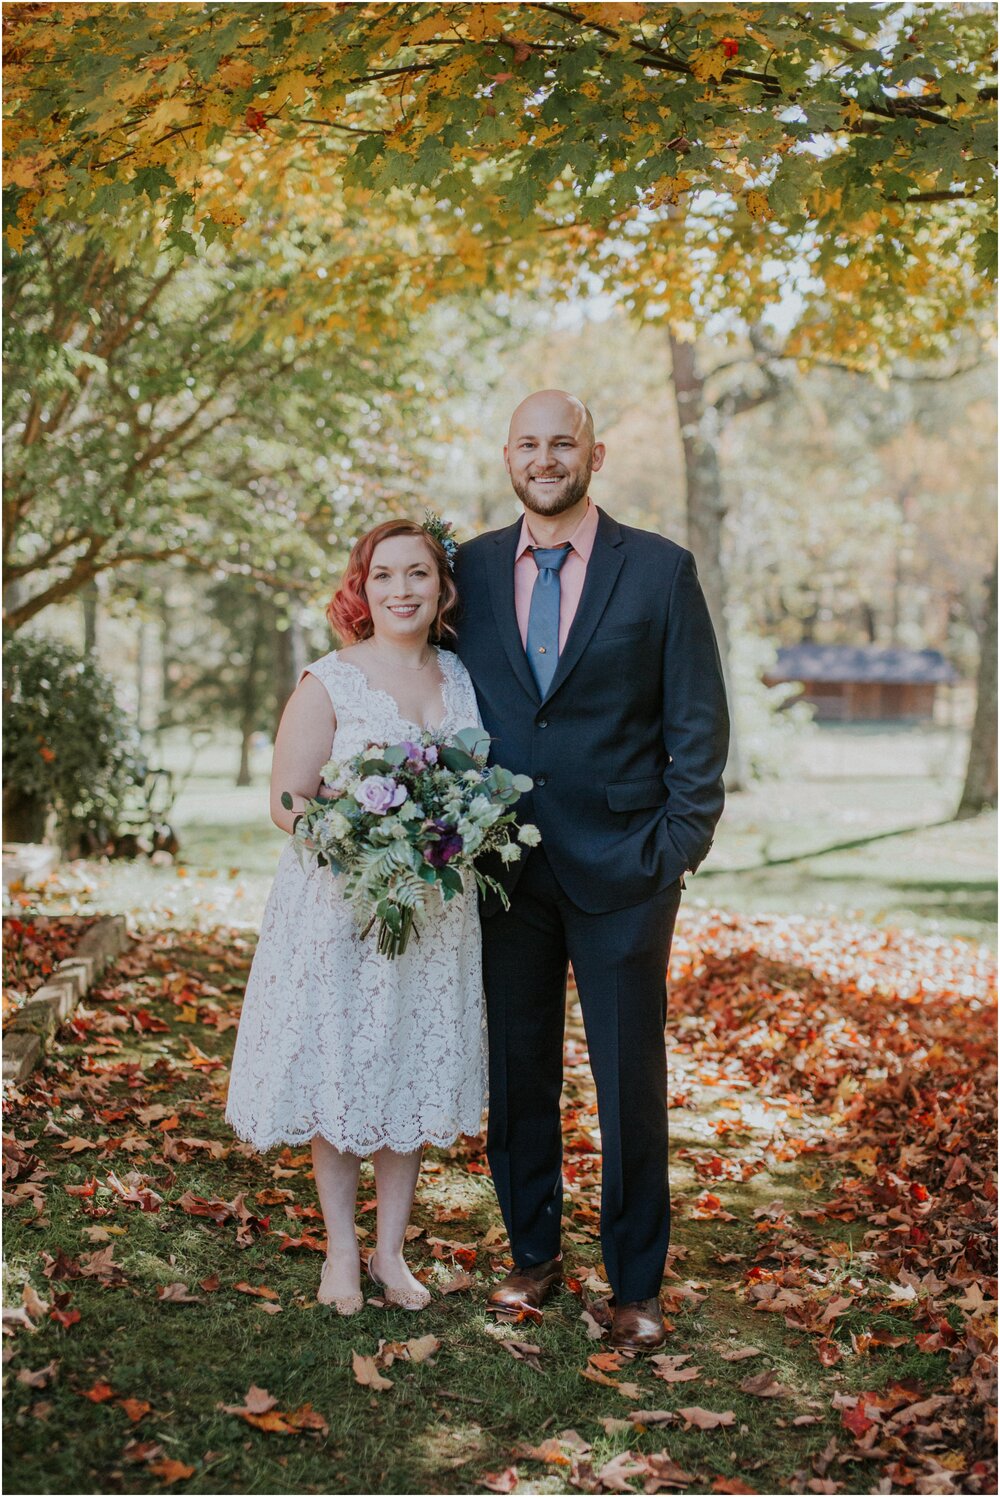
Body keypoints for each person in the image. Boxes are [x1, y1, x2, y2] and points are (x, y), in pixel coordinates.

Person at [453, 390, 729, 1351]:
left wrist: (671, 851)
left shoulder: (657, 569)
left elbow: (698, 727)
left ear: (594, 453)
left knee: (628, 1081)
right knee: (518, 1073)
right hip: (505, 870)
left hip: (627, 872)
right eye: (527, 443)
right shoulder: (469, 570)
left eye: (561, 441)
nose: (544, 457)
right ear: (507, 455)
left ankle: (636, 1285)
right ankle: (531, 1255)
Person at [226, 519, 486, 1315]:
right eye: (384, 576)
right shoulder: (330, 681)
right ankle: (340, 1249)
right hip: (344, 908)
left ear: (441, 588)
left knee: (407, 1065)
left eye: (418, 574)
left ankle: (391, 1253)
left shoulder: (462, 677)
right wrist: (358, 837)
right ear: (361, 588)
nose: (401, 590)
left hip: (434, 914)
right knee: (341, 1065)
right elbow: (285, 798)